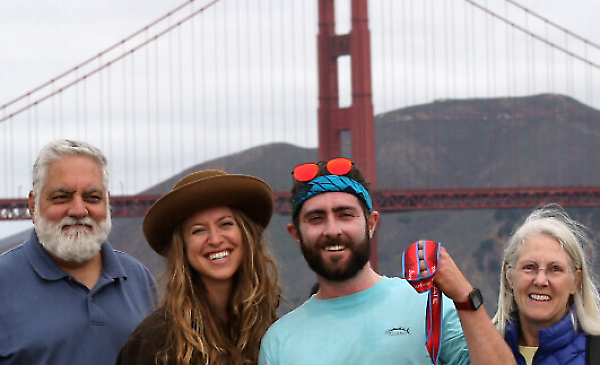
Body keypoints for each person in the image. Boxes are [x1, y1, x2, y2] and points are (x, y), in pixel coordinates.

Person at [258, 157, 515, 365]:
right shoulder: (279, 341)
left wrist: (464, 295)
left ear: (371, 224)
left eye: (345, 214)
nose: (333, 230)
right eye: (316, 218)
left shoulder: (429, 306)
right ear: (296, 234)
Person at [0, 139, 157, 365]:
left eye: (92, 198)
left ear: (107, 203)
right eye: (61, 197)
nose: (79, 210)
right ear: (33, 205)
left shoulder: (139, 278)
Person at [116, 169, 280, 365]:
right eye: (198, 230)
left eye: (226, 224)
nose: (215, 239)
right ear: (182, 248)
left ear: (247, 235)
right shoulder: (154, 342)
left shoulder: (270, 329)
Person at [493, 205, 600, 365]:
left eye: (555, 269)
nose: (540, 281)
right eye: (529, 267)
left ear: (575, 282)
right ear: (509, 276)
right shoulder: (476, 353)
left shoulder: (595, 353)